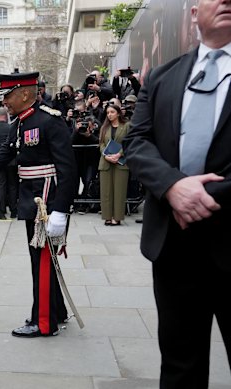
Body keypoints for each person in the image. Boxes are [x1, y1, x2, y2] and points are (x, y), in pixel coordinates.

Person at [123, 1, 231, 387]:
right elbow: (136, 142)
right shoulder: (164, 76)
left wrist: (200, 196)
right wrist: (171, 186)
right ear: (194, 11)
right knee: (180, 367)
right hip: (174, 246)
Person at [0, 71, 78, 338]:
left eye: (8, 96)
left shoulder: (49, 121)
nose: (4, 103)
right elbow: (0, 158)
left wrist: (60, 210)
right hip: (32, 200)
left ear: (24, 93)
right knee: (42, 260)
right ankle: (55, 310)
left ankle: (44, 322)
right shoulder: (20, 123)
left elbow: (68, 170)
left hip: (46, 203)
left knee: (42, 262)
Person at [98, 104, 129, 226]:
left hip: (121, 162)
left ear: (118, 113)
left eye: (112, 112)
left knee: (119, 190)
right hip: (106, 161)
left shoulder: (126, 126)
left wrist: (119, 154)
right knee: (106, 191)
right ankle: (107, 216)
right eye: (108, 113)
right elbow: (101, 144)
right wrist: (105, 155)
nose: (109, 115)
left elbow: (130, 142)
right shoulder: (105, 127)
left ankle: (117, 217)